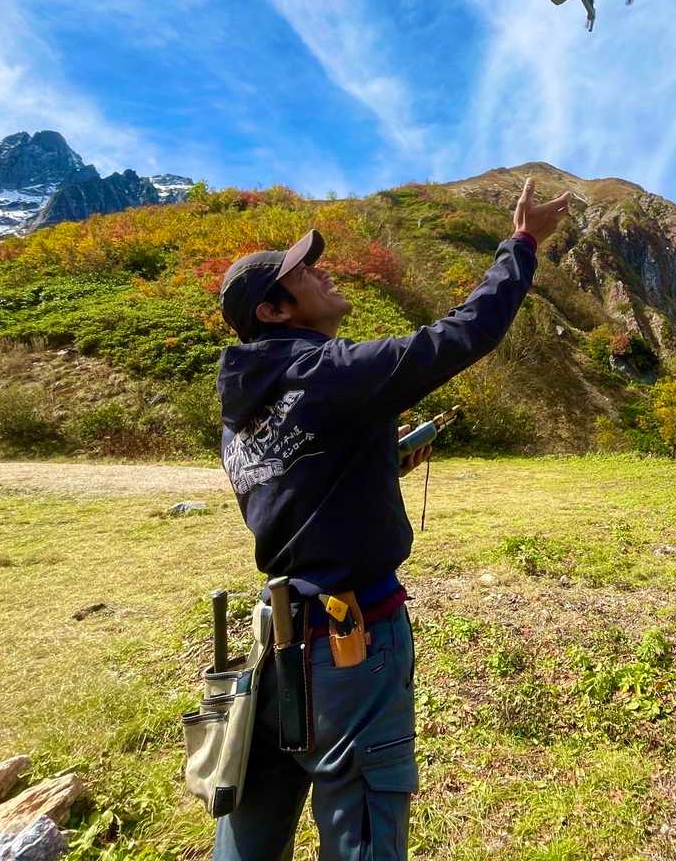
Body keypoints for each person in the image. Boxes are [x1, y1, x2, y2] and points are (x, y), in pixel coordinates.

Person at [212, 176, 571, 860]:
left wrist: (381, 456)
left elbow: (292, 496)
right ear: (275, 309)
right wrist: (523, 242)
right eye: (304, 273)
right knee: (365, 839)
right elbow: (464, 333)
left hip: (273, 645)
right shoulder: (329, 371)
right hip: (350, 644)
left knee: (247, 837)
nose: (323, 273)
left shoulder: (239, 415)